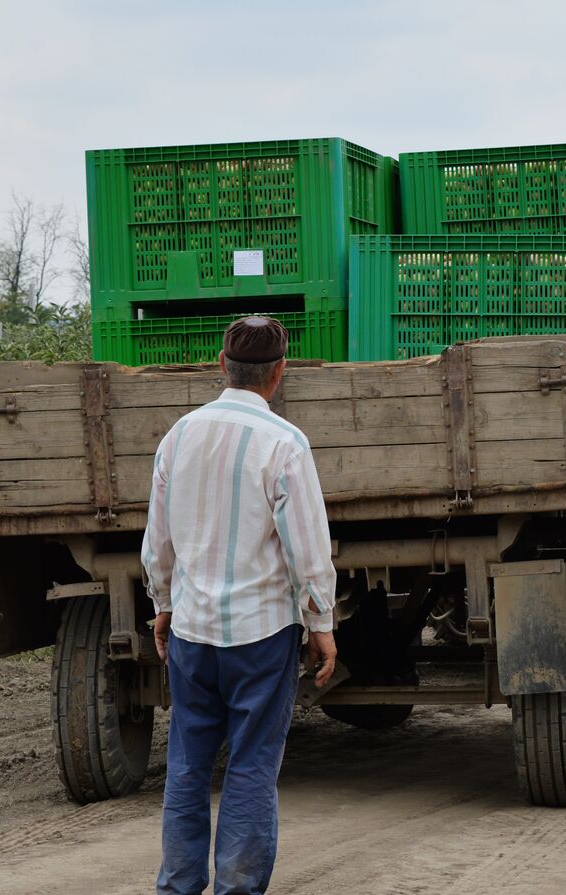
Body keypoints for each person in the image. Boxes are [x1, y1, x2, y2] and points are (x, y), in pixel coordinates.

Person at [143, 315, 338, 895]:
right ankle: (237, 887)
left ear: (220, 364)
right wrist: (321, 622)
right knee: (252, 766)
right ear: (279, 373)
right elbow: (309, 545)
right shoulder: (285, 443)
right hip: (262, 634)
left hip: (193, 633)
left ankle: (178, 886)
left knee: (186, 765)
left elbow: (158, 541)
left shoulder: (177, 436)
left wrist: (162, 602)